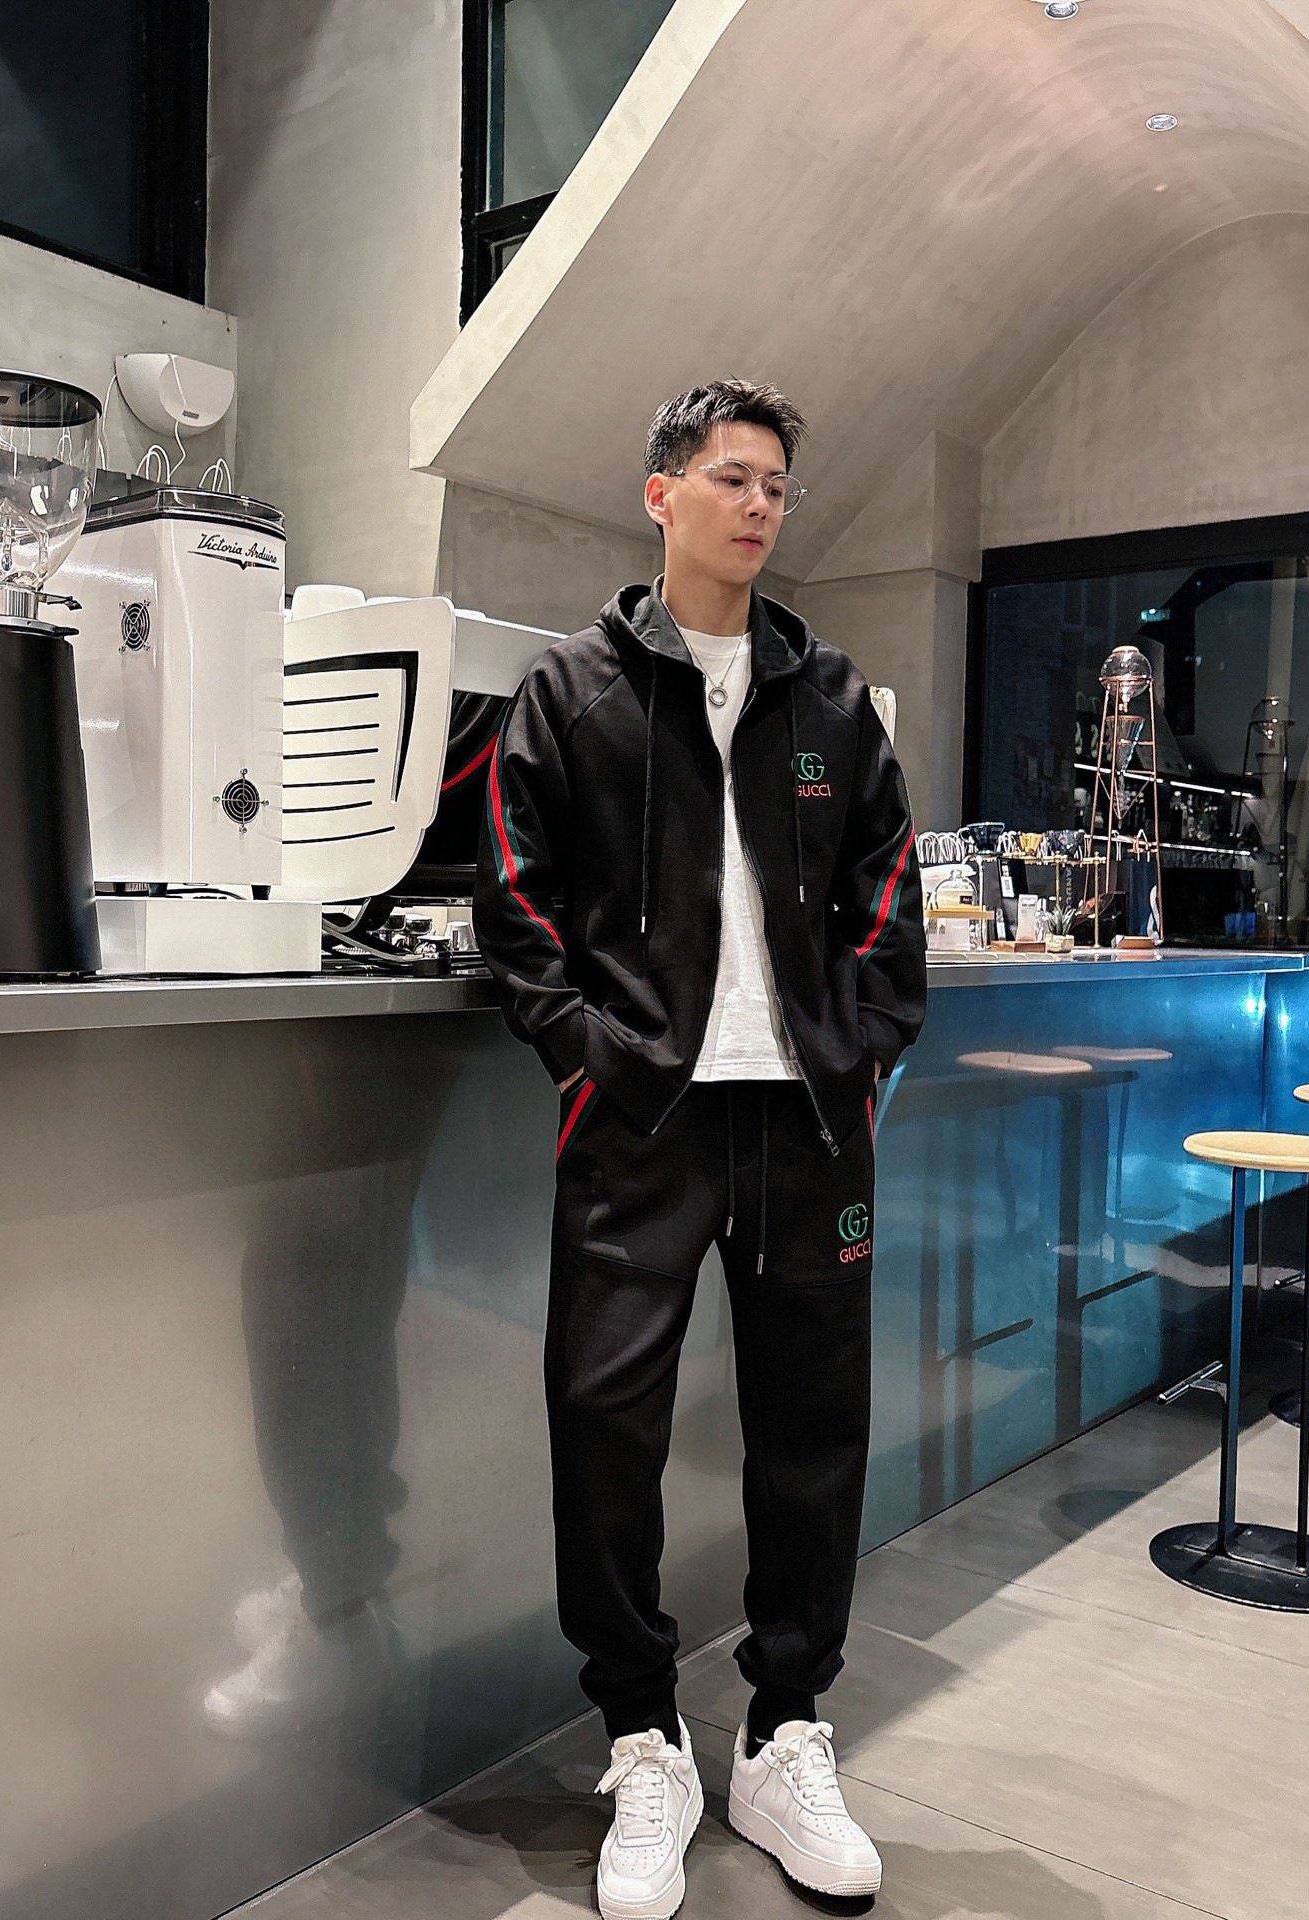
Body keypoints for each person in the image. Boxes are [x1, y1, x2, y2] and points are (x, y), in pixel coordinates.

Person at [474, 378, 926, 1918]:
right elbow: (515, 899)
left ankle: (785, 1731)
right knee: (605, 1429)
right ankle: (643, 1740)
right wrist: (588, 1059)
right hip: (642, 1125)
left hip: (806, 1129)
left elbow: (887, 891)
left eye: (777, 486)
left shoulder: (833, 698)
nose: (759, 506)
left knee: (816, 1430)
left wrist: (863, 1050)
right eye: (732, 477)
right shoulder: (572, 692)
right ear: (661, 494)